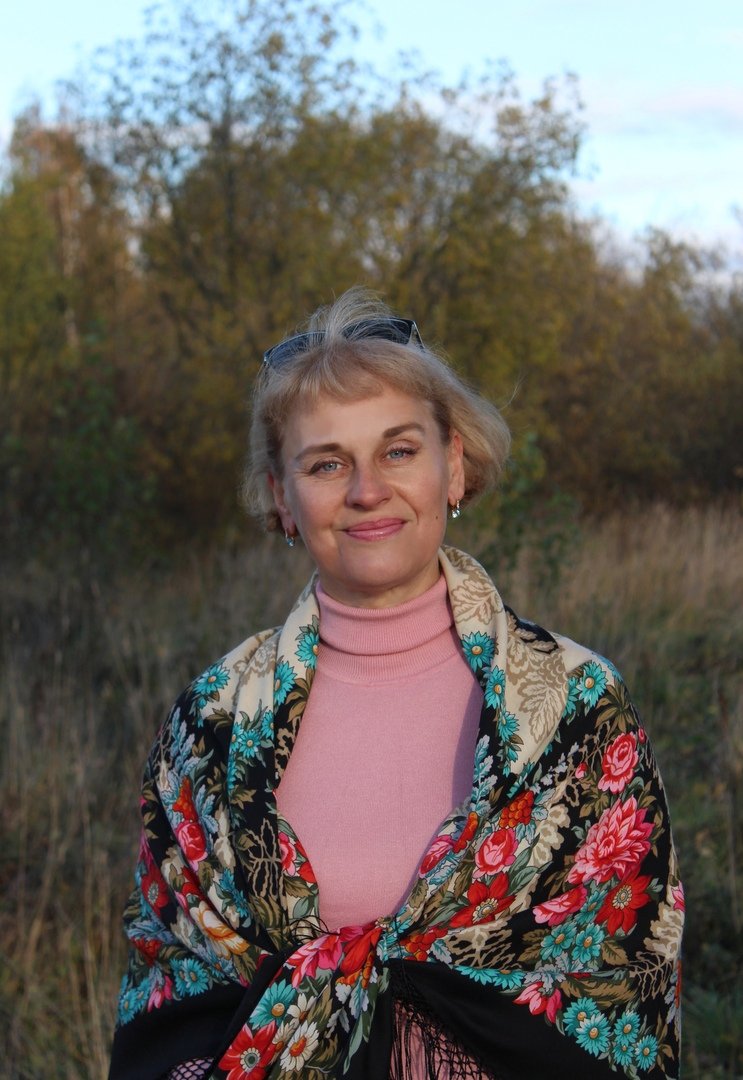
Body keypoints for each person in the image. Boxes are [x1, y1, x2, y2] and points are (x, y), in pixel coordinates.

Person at [109, 289, 683, 1080]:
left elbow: (626, 986)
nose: (366, 490)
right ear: (281, 497)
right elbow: (165, 992)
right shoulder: (210, 723)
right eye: (326, 463)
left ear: (455, 466)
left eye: (399, 451)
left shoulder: (577, 706)